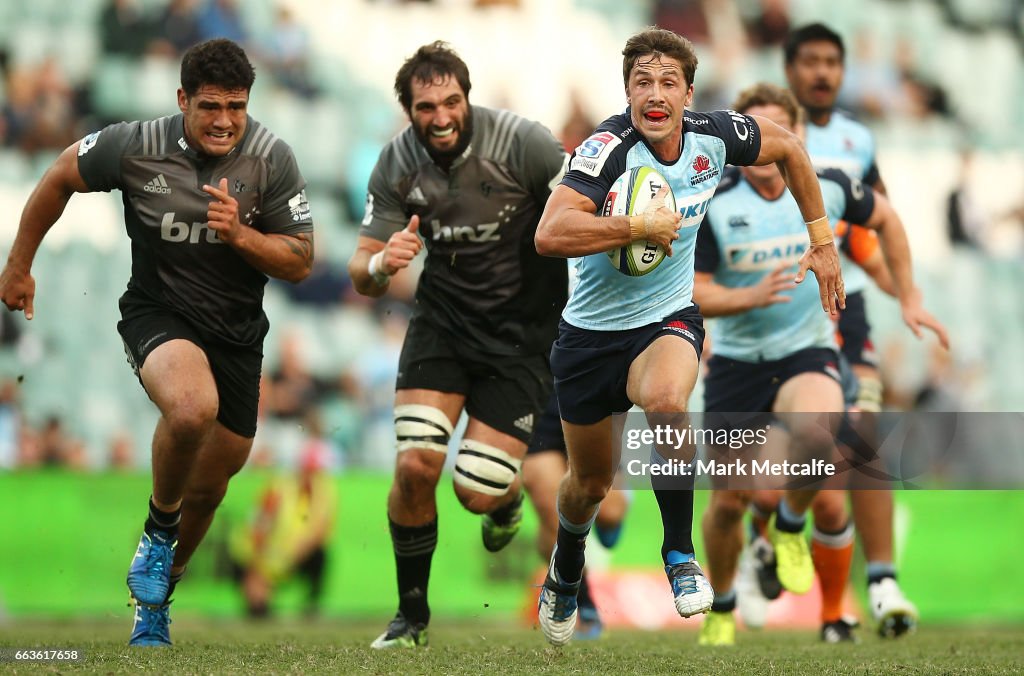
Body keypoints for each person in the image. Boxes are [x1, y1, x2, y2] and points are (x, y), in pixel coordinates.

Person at [533, 26, 845, 646]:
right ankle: (567, 563)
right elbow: (550, 232)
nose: (655, 93)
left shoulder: (716, 136)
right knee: (590, 483)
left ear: (688, 92)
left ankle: (679, 554)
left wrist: (823, 241)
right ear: (626, 92)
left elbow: (789, 148)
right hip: (589, 335)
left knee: (670, 403)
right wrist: (631, 226)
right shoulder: (606, 149)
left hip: (666, 318)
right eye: (642, 82)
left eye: (667, 82)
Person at [0, 38, 314, 646]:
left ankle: (155, 602)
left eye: (237, 107)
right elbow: (62, 173)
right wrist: (19, 264)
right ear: (182, 100)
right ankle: (157, 529)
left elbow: (301, 260)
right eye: (211, 106)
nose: (225, 120)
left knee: (211, 487)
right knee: (192, 408)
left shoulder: (272, 158)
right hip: (158, 313)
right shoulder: (135, 145)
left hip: (239, 337)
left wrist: (243, 238)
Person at [693, 83, 948, 646]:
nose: (765, 148)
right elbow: (693, 290)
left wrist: (907, 296)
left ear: (798, 137)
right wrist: (747, 296)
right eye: (754, 135)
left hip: (805, 352)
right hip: (736, 363)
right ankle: (723, 606)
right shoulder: (714, 198)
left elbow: (887, 220)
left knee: (825, 435)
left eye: (778, 133)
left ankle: (789, 528)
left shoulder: (828, 186)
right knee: (729, 503)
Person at [346, 41, 568, 649]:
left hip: (523, 338)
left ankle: (505, 499)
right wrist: (382, 266)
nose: (440, 116)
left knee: (474, 491)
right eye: (425, 106)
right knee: (416, 463)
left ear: (467, 98)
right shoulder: (394, 163)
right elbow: (360, 272)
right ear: (408, 109)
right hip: (442, 327)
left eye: (450, 101)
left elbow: (580, 213)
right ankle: (410, 616)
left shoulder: (525, 144)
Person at [780, 22, 922, 637]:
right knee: (796, 452)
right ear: (788, 69)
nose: (821, 72)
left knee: (861, 430)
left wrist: (905, 291)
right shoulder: (760, 132)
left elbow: (877, 221)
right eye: (809, 61)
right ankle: (773, 540)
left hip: (843, 302)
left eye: (831, 62)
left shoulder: (857, 139)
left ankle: (882, 580)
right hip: (774, 303)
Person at [520, 392, 631, 639]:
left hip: (586, 390)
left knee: (608, 510)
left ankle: (614, 506)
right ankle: (582, 599)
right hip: (539, 399)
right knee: (552, 513)